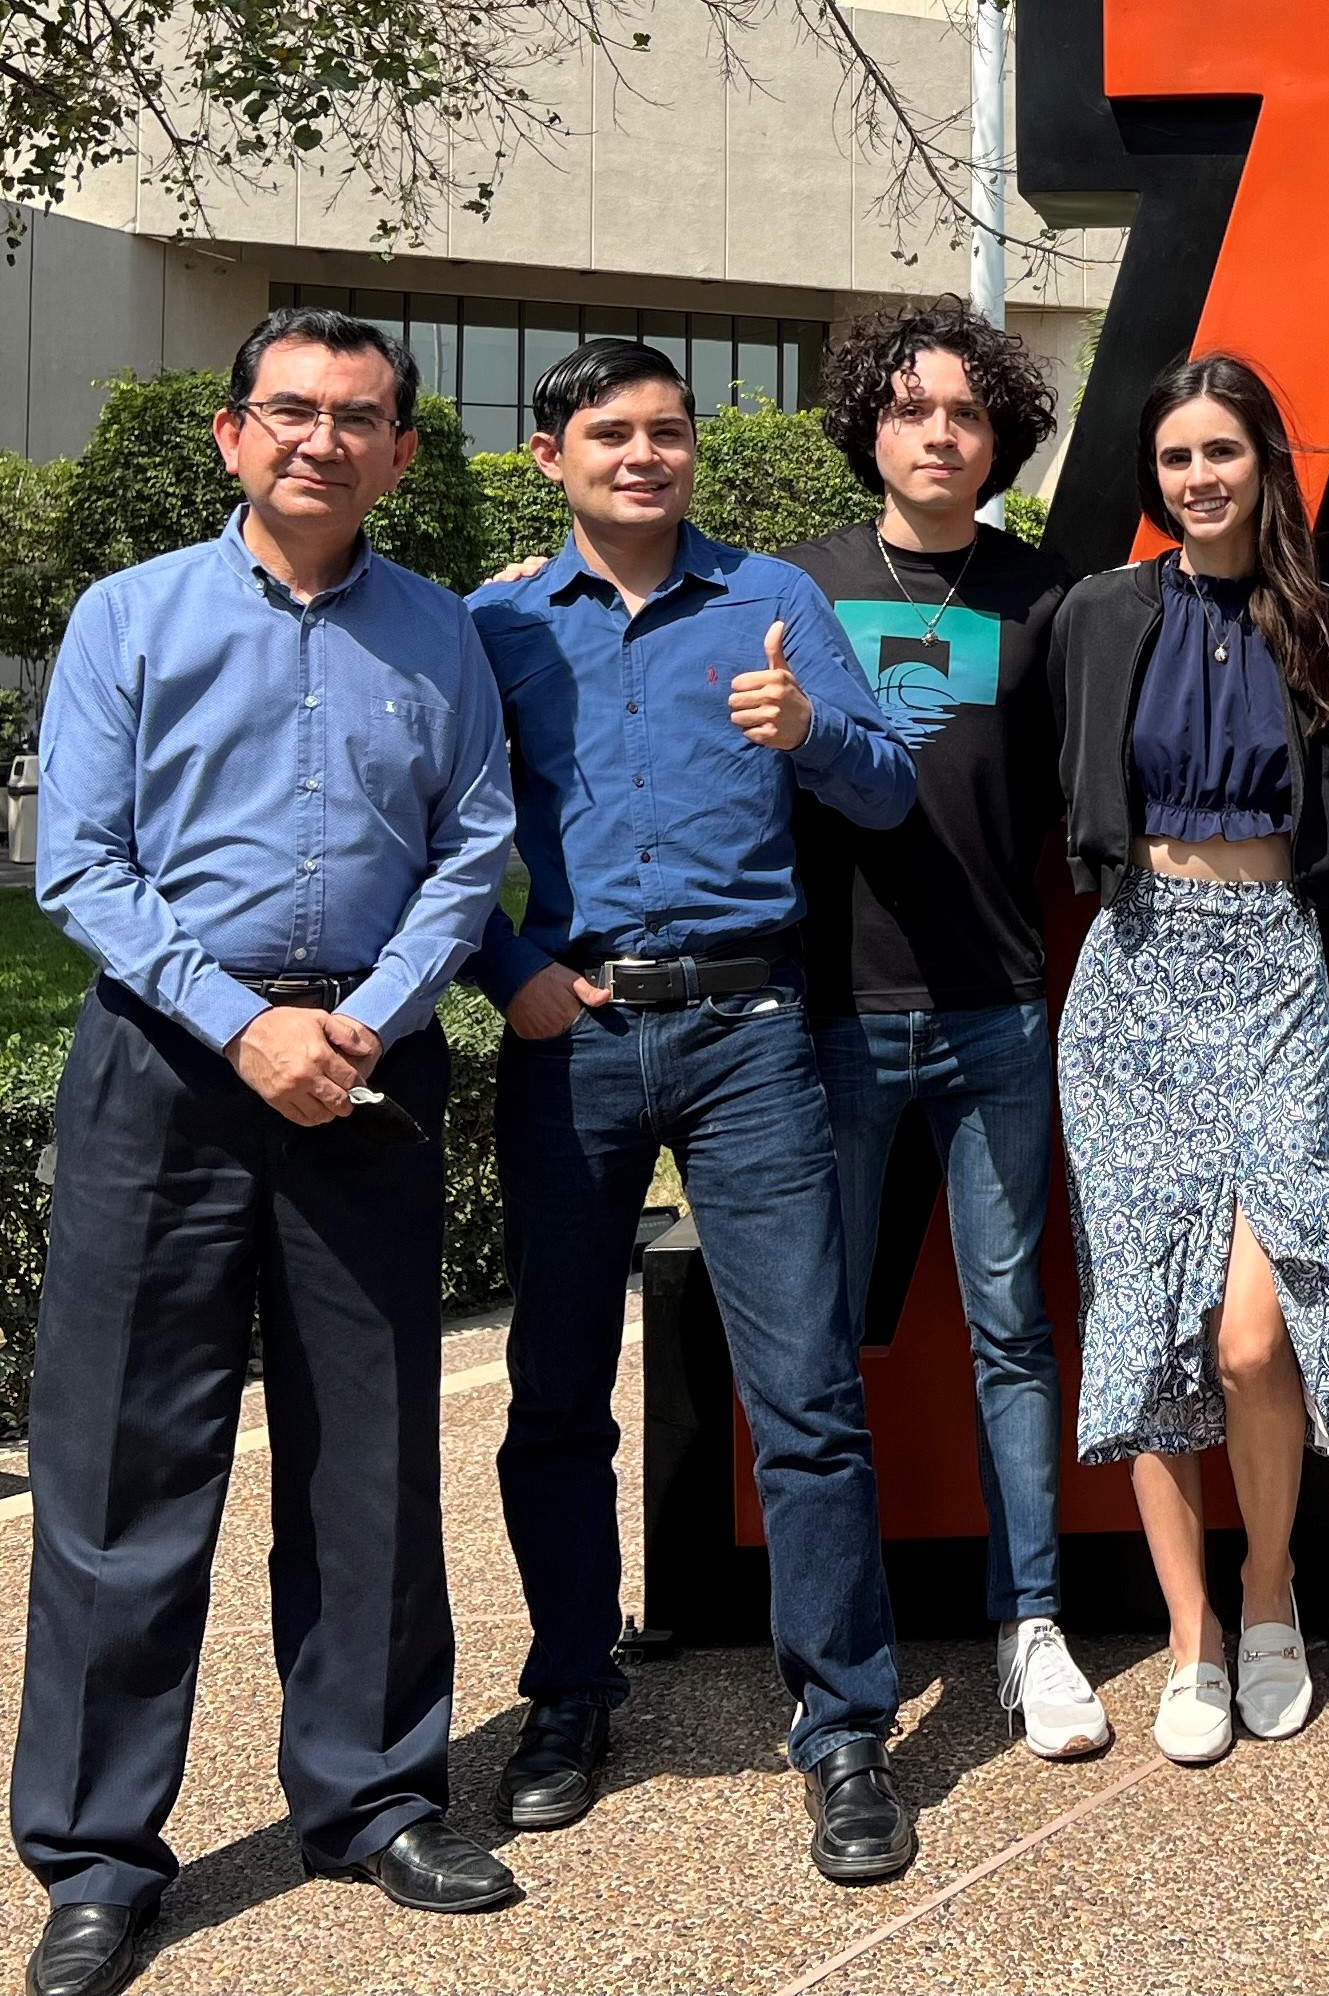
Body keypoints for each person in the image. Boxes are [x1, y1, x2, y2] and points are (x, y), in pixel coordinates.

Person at [16, 306, 520, 1996]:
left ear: (397, 450)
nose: (321, 440)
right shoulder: (128, 616)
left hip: (367, 1071)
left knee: (370, 1451)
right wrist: (245, 1026)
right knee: (116, 1468)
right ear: (233, 435)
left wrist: (364, 1016)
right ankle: (95, 1855)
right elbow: (79, 865)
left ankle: (373, 1797)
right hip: (166, 1064)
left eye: (357, 418)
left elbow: (475, 850)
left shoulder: (442, 635)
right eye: (290, 412)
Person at [469, 339, 924, 1882]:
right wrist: (511, 967)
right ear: (551, 456)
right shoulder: (496, 626)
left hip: (748, 1031)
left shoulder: (776, 603)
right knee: (553, 1395)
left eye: (667, 431)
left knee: (803, 1396)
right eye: (611, 434)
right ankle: (569, 1691)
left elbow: (887, 789)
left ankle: (845, 1724)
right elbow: (435, 829)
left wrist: (813, 735)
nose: (644, 456)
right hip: (575, 1034)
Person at [1047, 352, 1329, 1768]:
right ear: (1154, 474)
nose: (1199, 478)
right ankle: (1188, 1635)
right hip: (1130, 978)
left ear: (1264, 464)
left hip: (1274, 971)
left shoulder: (1327, 619)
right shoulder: (1097, 614)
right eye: (1177, 456)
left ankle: (1268, 1591)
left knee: (1256, 1332)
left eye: (1223, 453)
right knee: (1149, 1324)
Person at [788, 304, 1108, 1758]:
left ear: (1000, 440)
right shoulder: (793, 588)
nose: (937, 435)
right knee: (815, 1342)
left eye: (966, 416)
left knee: (1010, 1336)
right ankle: (835, 1639)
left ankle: (1027, 1621)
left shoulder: (1047, 601)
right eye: (912, 410)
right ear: (870, 424)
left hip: (993, 1012)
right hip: (831, 1018)